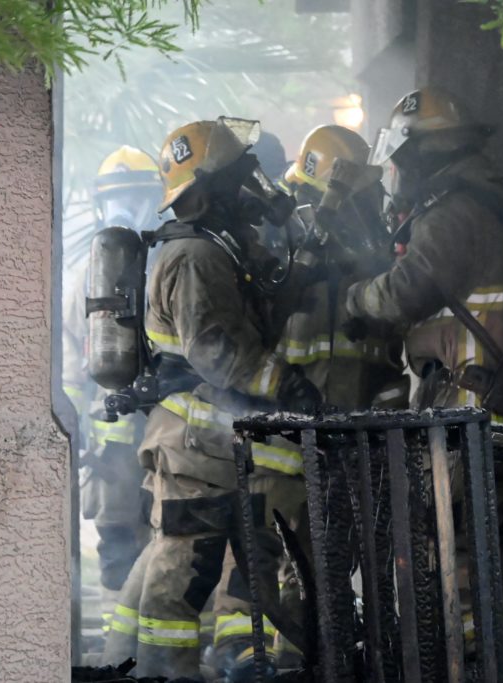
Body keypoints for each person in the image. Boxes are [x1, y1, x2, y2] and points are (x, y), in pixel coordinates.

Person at [102, 117, 322, 680]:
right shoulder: (196, 255)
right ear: (213, 188)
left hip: (206, 439)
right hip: (192, 440)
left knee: (181, 556)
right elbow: (214, 348)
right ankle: (161, 671)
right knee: (181, 570)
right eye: (241, 175)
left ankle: (121, 662)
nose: (254, 185)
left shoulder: (220, 245)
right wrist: (284, 383)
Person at [208, 124, 412, 679]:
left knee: (319, 565)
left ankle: (299, 661)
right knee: (260, 555)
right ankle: (241, 657)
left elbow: (387, 350)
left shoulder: (370, 256)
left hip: (339, 442)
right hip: (281, 434)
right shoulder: (281, 246)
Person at [346, 86, 503, 416]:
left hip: (470, 410)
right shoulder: (499, 198)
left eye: (401, 157)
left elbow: (409, 291)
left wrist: (357, 298)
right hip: (498, 400)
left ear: (416, 155)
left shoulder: (452, 211)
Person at [62, 145, 163, 640]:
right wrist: (75, 429)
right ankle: (118, 653)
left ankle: (164, 651)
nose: (126, 209)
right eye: (116, 198)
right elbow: (69, 367)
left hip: (166, 442)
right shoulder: (85, 279)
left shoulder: (170, 264)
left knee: (173, 544)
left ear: (157, 201)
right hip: (111, 455)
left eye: (137, 197)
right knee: (117, 549)